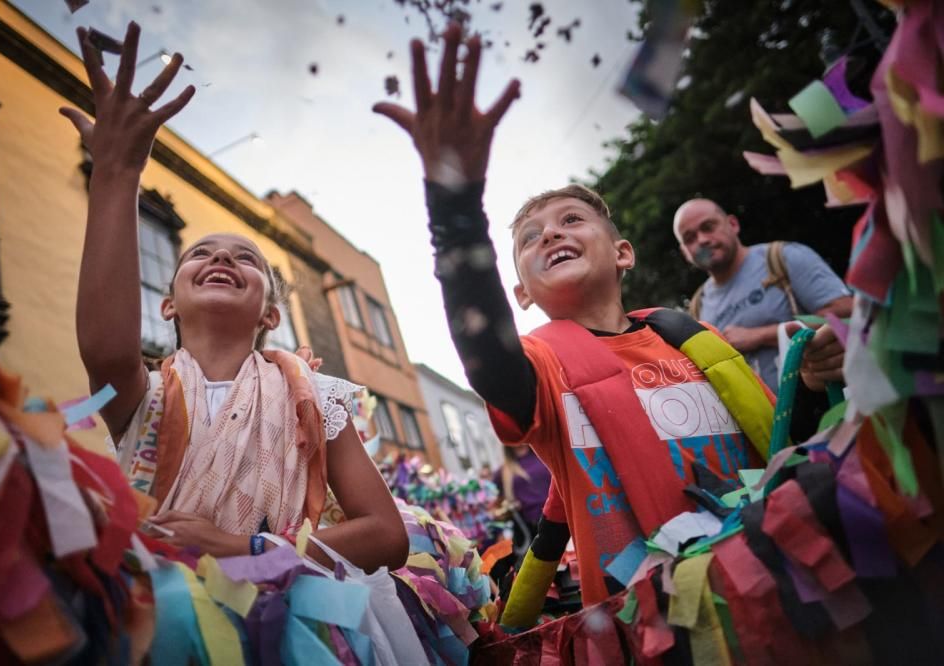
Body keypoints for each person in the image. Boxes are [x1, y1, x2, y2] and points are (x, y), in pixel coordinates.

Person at [374, 24, 844, 609]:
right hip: (660, 622)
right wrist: (455, 206)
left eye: (572, 220)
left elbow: (785, 443)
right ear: (521, 292)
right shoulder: (539, 367)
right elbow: (488, 358)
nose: (551, 232)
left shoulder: (694, 337)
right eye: (529, 238)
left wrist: (816, 382)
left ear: (623, 252)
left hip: (792, 580)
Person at [62, 23, 407, 572]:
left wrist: (249, 552)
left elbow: (387, 536)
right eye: (199, 254)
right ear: (167, 303)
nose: (222, 259)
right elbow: (104, 350)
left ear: (270, 312)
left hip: (290, 619)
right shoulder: (142, 393)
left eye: (246, 258)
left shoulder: (316, 397)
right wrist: (117, 170)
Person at [674, 198, 853, 393]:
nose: (702, 240)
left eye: (708, 227)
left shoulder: (783, 258)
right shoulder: (697, 307)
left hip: (824, 407)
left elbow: (847, 315)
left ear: (733, 224)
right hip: (760, 422)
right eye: (690, 238)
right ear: (685, 252)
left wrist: (759, 336)